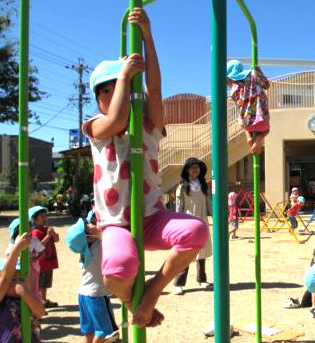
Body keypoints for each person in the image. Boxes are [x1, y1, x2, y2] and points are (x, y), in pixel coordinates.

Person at [83, 7, 208, 328]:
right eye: (106, 90)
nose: (114, 94)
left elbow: (155, 87)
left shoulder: (150, 125)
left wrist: (149, 37)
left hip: (152, 216)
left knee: (196, 231)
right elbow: (117, 119)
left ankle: (151, 292)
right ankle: (131, 302)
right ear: (98, 99)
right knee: (117, 268)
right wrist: (124, 76)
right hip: (115, 223)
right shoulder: (98, 127)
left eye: (119, 87)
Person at [66, 218, 119, 343]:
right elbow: (113, 240)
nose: (92, 224)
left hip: (84, 295)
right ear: (89, 238)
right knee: (106, 333)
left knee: (89, 332)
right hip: (97, 296)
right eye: (88, 226)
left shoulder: (86, 251)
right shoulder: (99, 247)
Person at [0, 232, 46, 342]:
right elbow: (5, 278)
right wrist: (16, 249)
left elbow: (40, 311)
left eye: (18, 278)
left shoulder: (24, 297)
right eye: (13, 279)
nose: (16, 282)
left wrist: (24, 292)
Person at [173, 158, 213, 295]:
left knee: (202, 251)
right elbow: (179, 206)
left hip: (202, 222)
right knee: (186, 253)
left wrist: (214, 215)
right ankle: (178, 283)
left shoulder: (203, 185)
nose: (195, 170)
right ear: (187, 170)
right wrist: (179, 221)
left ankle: (201, 279)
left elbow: (209, 203)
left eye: (197, 167)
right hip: (188, 222)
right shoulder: (182, 186)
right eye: (192, 167)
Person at [227, 59, 270, 154]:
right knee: (267, 130)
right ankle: (259, 138)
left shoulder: (233, 90)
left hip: (246, 121)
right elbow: (266, 85)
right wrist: (259, 71)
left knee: (243, 119)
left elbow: (238, 104)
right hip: (261, 117)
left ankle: (248, 136)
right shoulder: (253, 74)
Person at [6, 218, 45, 302]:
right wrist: (17, 257)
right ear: (17, 230)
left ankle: (34, 306)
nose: (30, 228)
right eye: (27, 226)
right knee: (20, 287)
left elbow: (42, 252)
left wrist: (34, 259)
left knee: (33, 287)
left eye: (30, 225)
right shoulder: (14, 243)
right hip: (17, 269)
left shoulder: (34, 240)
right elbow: (8, 255)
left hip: (31, 268)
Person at [29, 206, 59, 308]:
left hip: (49, 260)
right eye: (42, 216)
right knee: (39, 283)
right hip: (41, 261)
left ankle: (44, 299)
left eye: (45, 216)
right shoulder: (35, 232)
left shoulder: (47, 229)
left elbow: (57, 239)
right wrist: (48, 236)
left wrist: (53, 233)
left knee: (46, 282)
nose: (45, 218)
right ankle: (38, 301)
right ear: (35, 219)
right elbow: (39, 245)